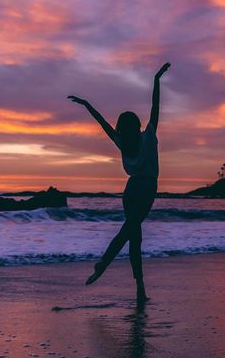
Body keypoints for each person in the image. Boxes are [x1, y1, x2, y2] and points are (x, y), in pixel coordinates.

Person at [68, 62, 170, 304]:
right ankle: (103, 263)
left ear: (122, 128)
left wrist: (86, 105)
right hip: (146, 189)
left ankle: (140, 289)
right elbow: (155, 106)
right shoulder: (149, 135)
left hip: (130, 190)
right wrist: (157, 79)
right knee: (130, 232)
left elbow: (102, 123)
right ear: (137, 125)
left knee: (134, 235)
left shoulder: (122, 142)